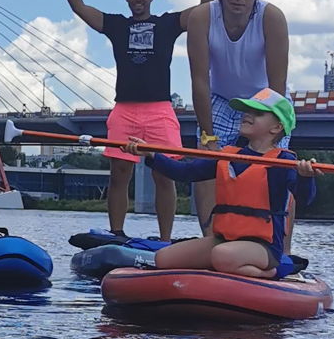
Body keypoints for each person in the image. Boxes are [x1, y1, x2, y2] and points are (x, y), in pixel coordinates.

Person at [53, 0, 218, 240]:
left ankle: (164, 239)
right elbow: (79, 7)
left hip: (159, 110)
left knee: (164, 175)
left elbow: (205, 8)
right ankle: (117, 233)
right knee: (119, 176)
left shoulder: (167, 24)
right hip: (125, 110)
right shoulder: (117, 25)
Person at [135, 89, 316, 277]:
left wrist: (305, 177)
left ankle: (269, 273)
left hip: (264, 247)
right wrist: (152, 155)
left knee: (222, 255)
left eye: (258, 113)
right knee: (163, 258)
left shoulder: (282, 162)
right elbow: (185, 172)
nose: (247, 115)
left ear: (276, 128)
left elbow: (305, 199)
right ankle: (224, 268)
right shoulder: (227, 155)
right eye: (247, 111)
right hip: (224, 240)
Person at [185, 0, 291, 230]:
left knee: (276, 169)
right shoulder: (202, 17)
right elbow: (199, 80)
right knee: (208, 162)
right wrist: (207, 135)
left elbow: (277, 84)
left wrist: (268, 129)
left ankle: (280, 248)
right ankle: (211, 237)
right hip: (220, 99)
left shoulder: (272, 17)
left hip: (267, 102)